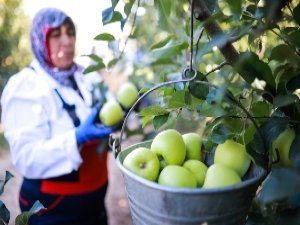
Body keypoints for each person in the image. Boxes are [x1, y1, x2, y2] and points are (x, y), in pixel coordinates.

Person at [1, 7, 119, 225]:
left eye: (70, 32)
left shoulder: (87, 76)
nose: (67, 41)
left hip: (95, 202)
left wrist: (127, 108)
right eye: (56, 34)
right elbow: (27, 158)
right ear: (40, 39)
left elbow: (111, 108)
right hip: (53, 207)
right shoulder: (26, 86)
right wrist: (76, 138)